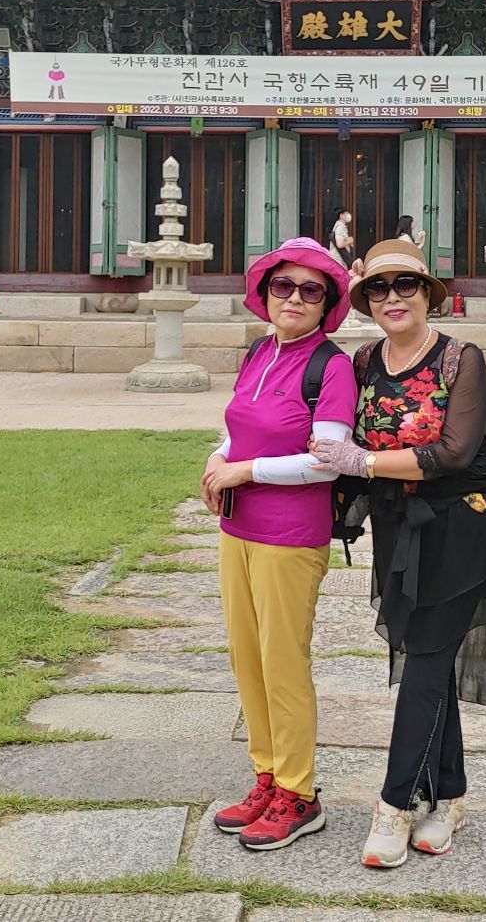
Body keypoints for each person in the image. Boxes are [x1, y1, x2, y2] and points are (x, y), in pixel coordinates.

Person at [311, 239, 486, 869]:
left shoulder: (460, 359)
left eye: (406, 284)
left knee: (425, 659)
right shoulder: (364, 360)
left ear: (428, 293)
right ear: (365, 299)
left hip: (460, 525)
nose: (392, 297)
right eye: (378, 287)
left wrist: (365, 462)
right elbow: (329, 432)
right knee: (430, 658)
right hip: (398, 528)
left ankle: (395, 804)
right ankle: (449, 798)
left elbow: (454, 452)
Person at [200, 237, 357, 851]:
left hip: (290, 536)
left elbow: (327, 460)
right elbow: (238, 426)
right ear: (265, 294)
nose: (294, 298)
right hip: (236, 528)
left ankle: (299, 792)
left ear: (327, 304)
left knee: (283, 663)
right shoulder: (259, 352)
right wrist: (216, 459)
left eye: (310, 290)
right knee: (247, 658)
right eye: (282, 286)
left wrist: (245, 471)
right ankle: (266, 777)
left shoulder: (330, 368)